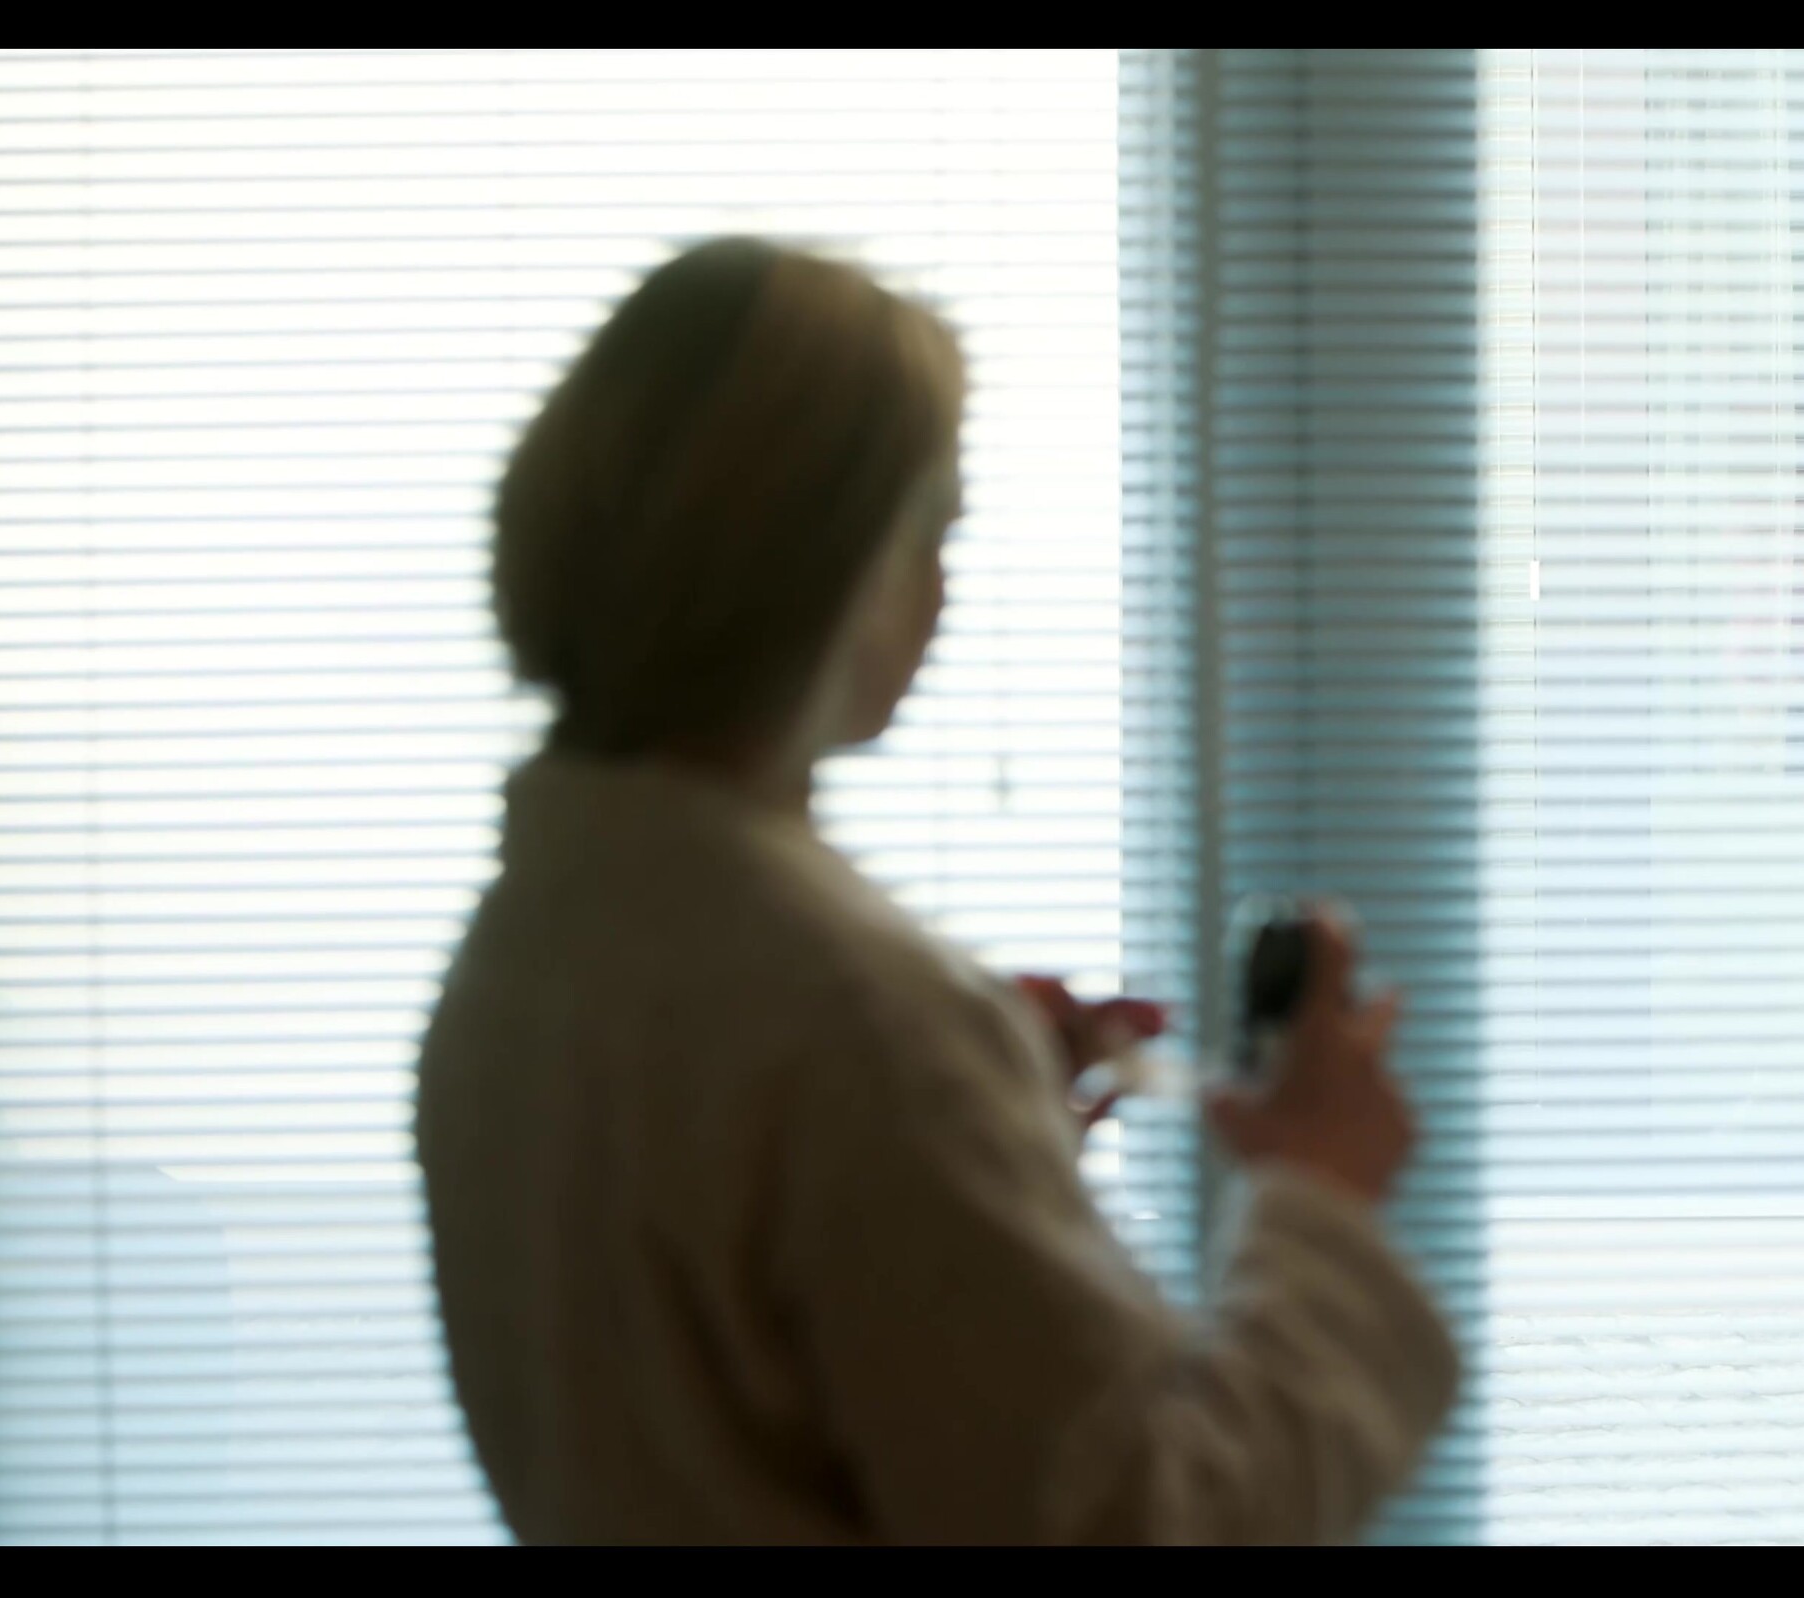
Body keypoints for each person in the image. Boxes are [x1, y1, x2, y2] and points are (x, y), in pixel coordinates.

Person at [414, 239, 1459, 1545]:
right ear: (824, 562)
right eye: (935, 529)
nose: (944, 588)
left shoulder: (520, 963)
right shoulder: (858, 1025)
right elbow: (1155, 1524)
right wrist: (1318, 1190)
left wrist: (981, 1145)